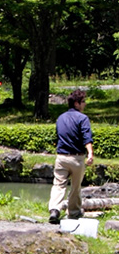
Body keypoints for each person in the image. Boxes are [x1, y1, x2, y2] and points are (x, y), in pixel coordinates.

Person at [48, 89, 93, 224]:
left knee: (58, 184)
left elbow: (58, 136)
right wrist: (90, 153)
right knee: (75, 187)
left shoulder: (60, 117)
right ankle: (73, 213)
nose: (84, 104)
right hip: (77, 158)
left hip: (61, 157)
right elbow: (87, 137)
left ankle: (55, 209)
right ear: (76, 104)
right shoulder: (83, 118)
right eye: (83, 102)